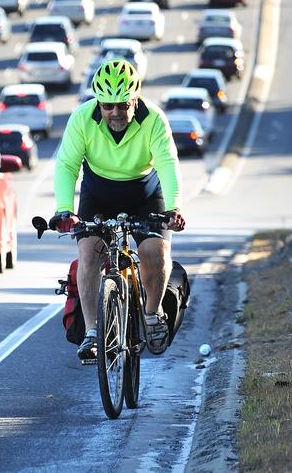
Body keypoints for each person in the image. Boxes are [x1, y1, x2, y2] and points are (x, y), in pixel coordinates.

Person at [51, 58, 185, 362]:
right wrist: (63, 209)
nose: (114, 112)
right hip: (98, 196)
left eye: (122, 105)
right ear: (98, 101)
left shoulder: (154, 119)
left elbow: (167, 164)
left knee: (155, 253)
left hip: (146, 195)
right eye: (107, 105)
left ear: (134, 99)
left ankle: (151, 314)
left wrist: (175, 207)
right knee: (88, 253)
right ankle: (93, 333)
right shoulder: (82, 118)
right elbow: (67, 165)